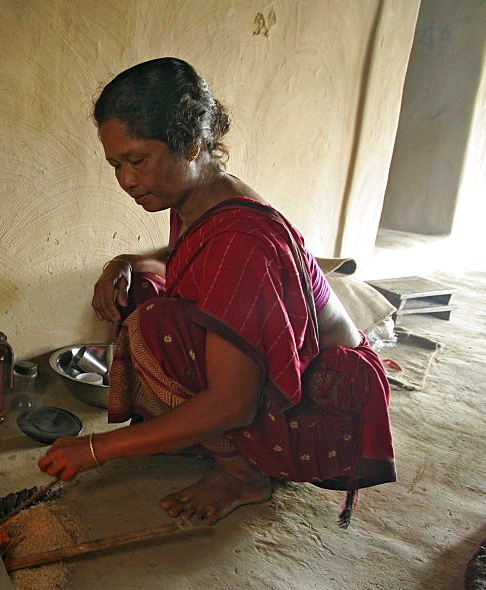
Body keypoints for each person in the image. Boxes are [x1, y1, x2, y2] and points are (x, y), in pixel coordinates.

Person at [38, 57, 396, 527]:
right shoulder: (201, 196)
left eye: (138, 160)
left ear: (190, 143)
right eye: (115, 164)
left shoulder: (240, 242)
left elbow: (234, 402)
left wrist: (96, 447)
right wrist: (122, 264)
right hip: (297, 381)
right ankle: (206, 438)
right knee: (145, 289)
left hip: (326, 409)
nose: (126, 180)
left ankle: (244, 478)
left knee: (154, 326)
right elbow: (184, 258)